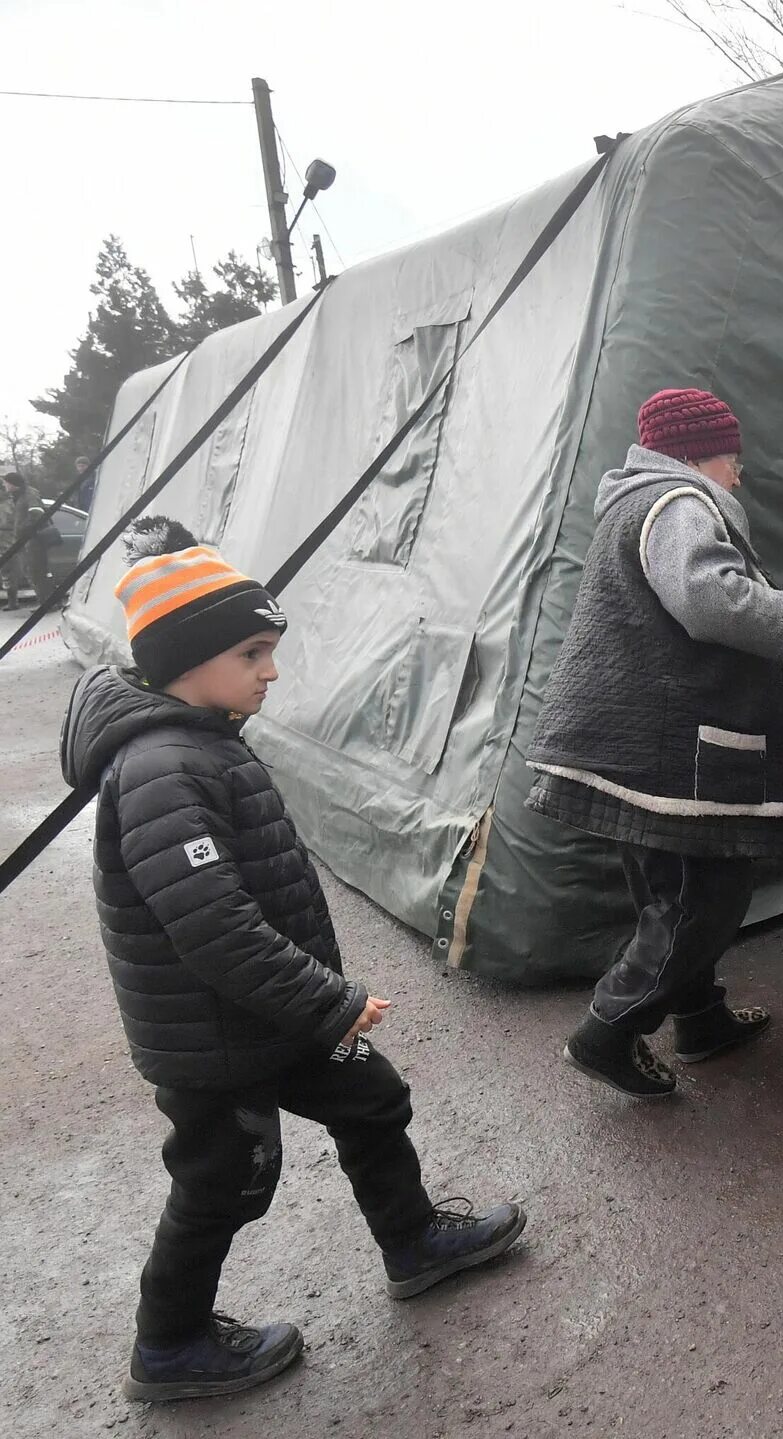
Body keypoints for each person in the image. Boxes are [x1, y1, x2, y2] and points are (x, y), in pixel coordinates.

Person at [60, 518, 525, 1404]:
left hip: (275, 1012)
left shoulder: (204, 738)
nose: (271, 669)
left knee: (374, 1098)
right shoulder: (163, 765)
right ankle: (170, 1344)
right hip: (219, 1033)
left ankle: (415, 1241)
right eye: (254, 651)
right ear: (187, 661)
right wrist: (327, 999)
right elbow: (214, 925)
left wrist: (313, 1004)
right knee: (224, 1180)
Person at [527, 388, 783, 1100]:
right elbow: (712, 601)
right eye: (734, 462)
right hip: (667, 756)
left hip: (635, 749)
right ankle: (607, 1029)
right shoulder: (678, 503)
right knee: (702, 899)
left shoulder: (633, 499)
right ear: (701, 455)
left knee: (671, 897)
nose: (738, 476)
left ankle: (701, 1020)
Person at [2, 470, 53, 608]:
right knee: (31, 571)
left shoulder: (29, 494)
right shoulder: (17, 496)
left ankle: (47, 603)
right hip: (25, 541)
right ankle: (45, 601)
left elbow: (36, 513)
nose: (4, 485)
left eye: (6, 483)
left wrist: (24, 530)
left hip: (34, 540)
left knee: (37, 571)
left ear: (13, 484)